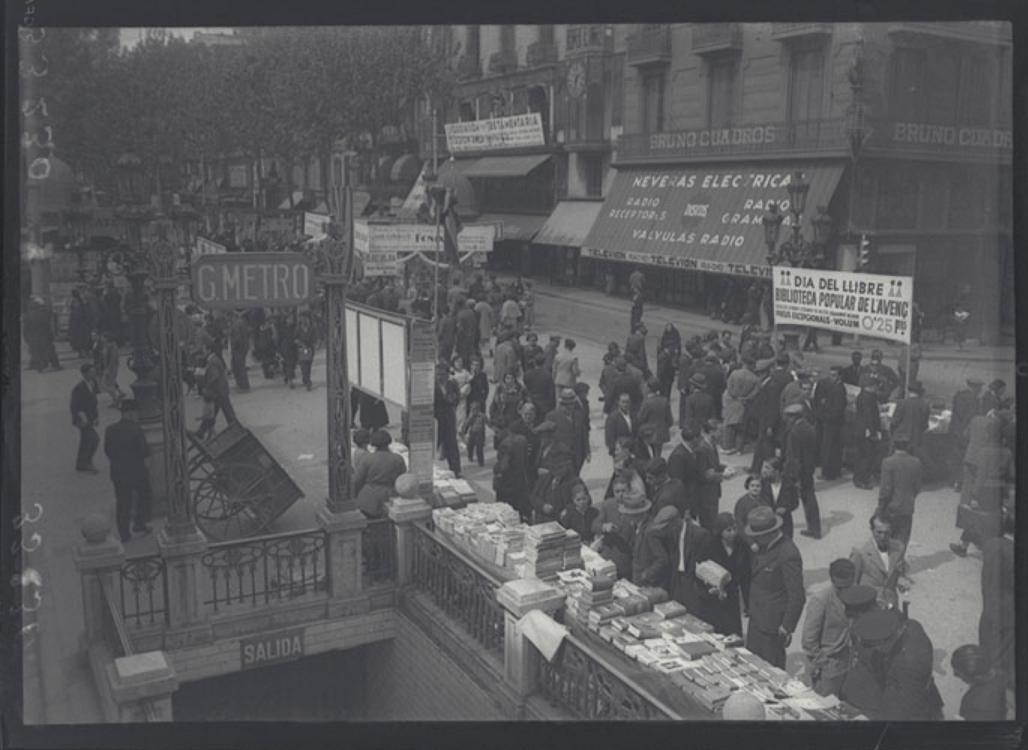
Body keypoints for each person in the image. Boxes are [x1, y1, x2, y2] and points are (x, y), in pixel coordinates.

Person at [843, 608, 944, 721]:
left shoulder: (909, 664)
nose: (875, 650)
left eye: (875, 646)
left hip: (914, 705)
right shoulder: (910, 626)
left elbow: (900, 710)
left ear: (886, 642)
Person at [744, 506, 805, 669]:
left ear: (768, 533)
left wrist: (786, 627)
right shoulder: (764, 546)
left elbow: (797, 595)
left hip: (772, 625)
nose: (754, 540)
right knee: (752, 666)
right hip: (757, 617)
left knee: (771, 672)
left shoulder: (788, 553)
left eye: (757, 536)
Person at [802, 559, 856, 697]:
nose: (845, 592)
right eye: (840, 588)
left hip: (847, 661)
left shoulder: (855, 595)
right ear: (832, 580)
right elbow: (809, 640)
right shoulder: (821, 600)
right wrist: (823, 663)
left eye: (848, 586)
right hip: (827, 667)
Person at [103, 400, 153, 543]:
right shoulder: (136, 429)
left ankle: (124, 534)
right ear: (131, 414)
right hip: (137, 472)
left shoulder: (110, 429)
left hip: (118, 472)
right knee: (145, 495)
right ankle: (140, 522)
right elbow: (144, 452)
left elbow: (107, 450)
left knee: (123, 502)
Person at [978, 506, 1014, 694]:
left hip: (988, 605)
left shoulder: (991, 545)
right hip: (1007, 612)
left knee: (986, 645)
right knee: (1002, 654)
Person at [696, 513, 750, 636]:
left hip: (731, 596)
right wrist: (709, 589)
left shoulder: (742, 546)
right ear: (720, 531)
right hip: (712, 597)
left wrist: (748, 604)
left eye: (734, 529)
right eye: (728, 530)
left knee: (732, 632)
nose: (733, 533)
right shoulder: (709, 545)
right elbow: (700, 569)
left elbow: (746, 577)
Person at [592, 477, 647, 580]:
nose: (620, 494)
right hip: (608, 555)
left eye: (623, 491)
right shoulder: (608, 505)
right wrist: (604, 527)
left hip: (626, 559)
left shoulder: (635, 507)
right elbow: (594, 525)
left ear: (629, 491)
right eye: (617, 491)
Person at [666, 501, 714, 617]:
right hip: (678, 581)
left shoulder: (700, 534)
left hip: (693, 582)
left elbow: (706, 563)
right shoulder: (671, 532)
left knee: (693, 616)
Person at [781, 403, 821, 539]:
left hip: (798, 471)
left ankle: (784, 528)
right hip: (809, 468)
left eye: (788, 417)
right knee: (809, 496)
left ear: (793, 417)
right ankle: (814, 527)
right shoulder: (810, 428)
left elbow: (794, 457)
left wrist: (793, 476)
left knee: (788, 498)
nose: (786, 419)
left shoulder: (794, 432)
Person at [877, 440, 921, 548]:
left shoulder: (888, 462)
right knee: (902, 541)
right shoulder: (916, 462)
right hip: (907, 507)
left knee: (886, 540)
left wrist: (880, 508)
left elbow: (885, 490)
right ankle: (898, 562)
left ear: (894, 446)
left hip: (891, 508)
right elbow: (917, 487)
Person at [354, 429, 407, 518]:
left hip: (368, 498)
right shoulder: (397, 459)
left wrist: (356, 496)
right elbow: (402, 479)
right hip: (390, 497)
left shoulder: (367, 459)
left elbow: (358, 480)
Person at [850, 512, 907, 595]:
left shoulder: (899, 548)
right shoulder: (860, 551)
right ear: (872, 530)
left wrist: (901, 580)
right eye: (879, 532)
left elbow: (900, 572)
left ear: (891, 531)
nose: (883, 537)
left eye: (886, 533)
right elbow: (852, 583)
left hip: (890, 602)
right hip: (868, 603)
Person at [950, 645, 1008, 720]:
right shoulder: (1000, 680)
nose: (954, 674)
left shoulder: (977, 702)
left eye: (958, 671)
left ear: (970, 674)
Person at [631, 505, 680, 591]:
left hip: (650, 583)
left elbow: (662, 559)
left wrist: (647, 574)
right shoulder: (639, 527)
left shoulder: (650, 532)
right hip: (640, 579)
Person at [813, 366, 847, 480]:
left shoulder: (839, 389)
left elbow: (837, 408)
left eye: (834, 375)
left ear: (839, 377)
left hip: (833, 423)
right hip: (830, 422)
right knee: (830, 448)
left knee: (830, 448)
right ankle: (831, 471)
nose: (831, 378)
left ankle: (829, 473)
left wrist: (825, 406)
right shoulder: (831, 386)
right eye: (830, 375)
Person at [949, 378, 984, 489]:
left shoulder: (958, 395)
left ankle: (954, 481)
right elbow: (970, 417)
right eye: (980, 387)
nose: (981, 390)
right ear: (975, 387)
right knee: (965, 457)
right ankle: (960, 482)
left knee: (955, 456)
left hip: (954, 430)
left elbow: (957, 413)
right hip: (965, 432)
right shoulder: (974, 399)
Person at [547, 387, 590, 474]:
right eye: (566, 404)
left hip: (578, 453)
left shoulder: (579, 415)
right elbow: (548, 439)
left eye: (571, 404)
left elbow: (584, 434)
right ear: (561, 404)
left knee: (576, 474)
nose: (569, 407)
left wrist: (587, 451)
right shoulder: (552, 417)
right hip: (561, 456)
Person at [530, 446, 577, 524]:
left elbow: (585, 500)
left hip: (562, 522)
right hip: (543, 520)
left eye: (560, 468)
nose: (557, 471)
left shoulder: (574, 482)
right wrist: (542, 506)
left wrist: (568, 509)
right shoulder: (544, 478)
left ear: (567, 466)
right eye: (553, 468)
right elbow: (533, 497)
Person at [722, 360, 759, 456]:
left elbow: (729, 386)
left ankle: (728, 447)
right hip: (744, 403)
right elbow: (755, 393)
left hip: (732, 401)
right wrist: (745, 398)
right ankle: (739, 449)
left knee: (729, 425)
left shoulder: (734, 373)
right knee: (742, 427)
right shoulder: (755, 378)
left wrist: (735, 395)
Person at [667, 425, 704, 521]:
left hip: (694, 498)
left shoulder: (690, 451)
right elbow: (677, 484)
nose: (702, 439)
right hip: (687, 501)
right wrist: (685, 507)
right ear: (694, 439)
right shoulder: (678, 456)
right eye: (700, 437)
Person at [494, 426, 531, 520]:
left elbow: (503, 466)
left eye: (496, 432)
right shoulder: (522, 440)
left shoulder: (505, 444)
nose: (496, 435)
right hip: (521, 481)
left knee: (506, 513)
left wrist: (496, 470)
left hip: (507, 484)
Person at [852, 377, 883, 490]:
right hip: (866, 431)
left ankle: (859, 478)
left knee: (862, 455)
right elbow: (869, 416)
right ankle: (862, 479)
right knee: (866, 456)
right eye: (875, 386)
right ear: (870, 386)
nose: (876, 388)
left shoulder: (863, 396)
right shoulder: (868, 398)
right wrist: (874, 431)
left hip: (861, 429)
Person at [696, 419, 726, 531]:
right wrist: (723, 475)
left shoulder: (711, 445)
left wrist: (724, 467)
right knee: (709, 524)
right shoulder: (702, 449)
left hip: (713, 492)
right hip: (706, 494)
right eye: (719, 431)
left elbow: (714, 465)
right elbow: (704, 475)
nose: (721, 434)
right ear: (711, 431)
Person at [70, 363, 100, 473]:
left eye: (94, 372)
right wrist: (82, 417)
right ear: (84, 374)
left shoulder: (92, 384)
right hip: (82, 419)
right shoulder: (79, 388)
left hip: (90, 418)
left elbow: (94, 402)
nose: (94, 374)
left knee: (86, 440)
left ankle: (81, 464)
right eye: (91, 372)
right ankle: (86, 463)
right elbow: (75, 406)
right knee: (93, 439)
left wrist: (96, 417)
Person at [434, 363, 462, 476]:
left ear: (446, 374)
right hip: (436, 419)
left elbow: (457, 397)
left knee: (451, 444)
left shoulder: (452, 384)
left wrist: (451, 399)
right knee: (434, 443)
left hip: (449, 417)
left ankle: (456, 470)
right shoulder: (433, 385)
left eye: (441, 374)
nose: (439, 376)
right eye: (437, 374)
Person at [202, 340, 237, 428]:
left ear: (209, 350)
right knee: (217, 412)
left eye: (204, 349)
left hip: (219, 391)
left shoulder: (212, 361)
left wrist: (207, 387)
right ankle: (201, 432)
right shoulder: (215, 359)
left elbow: (214, 376)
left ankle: (236, 429)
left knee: (224, 413)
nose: (203, 352)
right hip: (220, 390)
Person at [636, 379, 673, 458]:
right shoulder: (664, 401)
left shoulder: (647, 402)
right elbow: (669, 420)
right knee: (658, 452)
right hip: (661, 432)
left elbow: (640, 418)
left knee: (651, 452)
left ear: (649, 389)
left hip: (649, 432)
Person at [890, 381, 930, 454]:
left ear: (908, 391)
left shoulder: (902, 403)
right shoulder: (925, 405)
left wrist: (892, 432)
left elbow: (894, 422)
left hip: (900, 438)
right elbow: (925, 425)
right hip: (916, 438)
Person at [97, 331, 126, 408]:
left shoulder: (113, 347)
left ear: (107, 338)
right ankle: (116, 399)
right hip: (107, 368)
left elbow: (112, 360)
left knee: (106, 385)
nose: (102, 339)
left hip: (111, 369)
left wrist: (108, 370)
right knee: (108, 384)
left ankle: (116, 399)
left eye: (103, 337)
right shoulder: (106, 346)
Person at [604, 392, 636, 458]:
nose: (625, 404)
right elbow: (610, 435)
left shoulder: (633, 415)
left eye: (627, 402)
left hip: (633, 448)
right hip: (620, 448)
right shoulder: (613, 417)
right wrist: (612, 449)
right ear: (619, 402)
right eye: (623, 402)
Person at [524, 352, 555, 417]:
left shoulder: (527, 374)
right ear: (544, 362)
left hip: (531, 400)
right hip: (544, 402)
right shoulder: (548, 375)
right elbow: (551, 392)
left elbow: (526, 388)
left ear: (534, 362)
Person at [229, 312, 252, 392]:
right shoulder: (242, 322)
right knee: (240, 367)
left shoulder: (236, 324)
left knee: (239, 368)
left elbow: (237, 338)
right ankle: (242, 385)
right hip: (243, 347)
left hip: (238, 349)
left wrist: (234, 347)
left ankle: (243, 386)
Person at [460, 400, 487, 467]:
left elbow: (489, 423)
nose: (474, 411)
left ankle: (481, 461)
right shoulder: (471, 417)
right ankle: (470, 456)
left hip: (480, 434)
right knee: (470, 446)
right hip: (472, 433)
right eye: (473, 409)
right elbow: (466, 424)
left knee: (479, 448)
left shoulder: (482, 416)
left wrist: (495, 429)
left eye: (476, 409)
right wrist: (463, 432)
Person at [295, 314, 317, 391]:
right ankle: (307, 381)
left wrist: (314, 345)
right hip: (302, 349)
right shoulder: (298, 329)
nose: (305, 321)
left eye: (306, 319)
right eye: (303, 320)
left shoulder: (312, 329)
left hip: (310, 349)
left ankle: (307, 379)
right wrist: (300, 344)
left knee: (308, 365)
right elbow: (295, 339)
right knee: (303, 365)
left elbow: (315, 339)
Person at [277, 312, 298, 389]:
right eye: (290, 318)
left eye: (292, 318)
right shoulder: (282, 329)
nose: (291, 320)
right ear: (286, 320)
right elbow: (279, 340)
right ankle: (290, 381)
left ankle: (287, 376)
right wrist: (279, 350)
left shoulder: (294, 327)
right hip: (286, 348)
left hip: (293, 348)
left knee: (291, 364)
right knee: (289, 364)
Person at [67, 289, 91, 358]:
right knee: (84, 338)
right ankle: (85, 352)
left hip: (77, 324)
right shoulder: (82, 301)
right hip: (82, 323)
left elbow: (76, 313)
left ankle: (82, 352)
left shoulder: (75, 302)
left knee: (79, 339)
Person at [456, 299, 479, 365]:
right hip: (471, 335)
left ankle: (464, 365)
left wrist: (458, 338)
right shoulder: (471, 312)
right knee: (471, 352)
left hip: (463, 337)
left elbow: (460, 328)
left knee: (462, 354)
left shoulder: (460, 314)